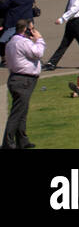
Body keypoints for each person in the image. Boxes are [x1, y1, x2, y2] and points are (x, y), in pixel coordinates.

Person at [3, 18, 43, 149]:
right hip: (24, 80)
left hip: (15, 78)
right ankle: (8, 143)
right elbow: (38, 53)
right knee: (17, 112)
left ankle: (22, 140)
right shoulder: (23, 42)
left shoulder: (11, 42)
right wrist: (39, 40)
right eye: (31, 29)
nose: (33, 32)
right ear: (26, 29)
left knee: (22, 111)